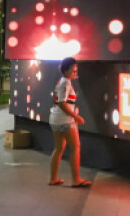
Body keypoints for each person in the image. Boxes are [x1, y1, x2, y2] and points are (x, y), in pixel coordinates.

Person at [48, 56, 91, 188]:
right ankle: (75, 179)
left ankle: (53, 179)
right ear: (65, 70)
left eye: (76, 70)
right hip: (65, 120)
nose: (75, 73)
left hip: (55, 119)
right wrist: (76, 117)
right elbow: (62, 103)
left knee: (59, 148)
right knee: (75, 147)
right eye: (73, 70)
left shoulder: (62, 81)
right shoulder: (65, 83)